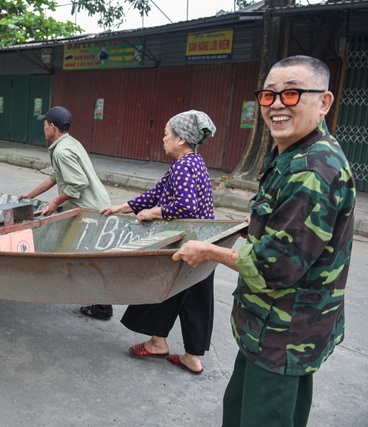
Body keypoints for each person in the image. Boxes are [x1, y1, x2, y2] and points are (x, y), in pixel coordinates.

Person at [173, 55, 355, 426]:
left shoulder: (313, 170)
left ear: (323, 102)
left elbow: (275, 267)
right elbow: (286, 226)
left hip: (284, 335)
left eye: (291, 94)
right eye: (268, 96)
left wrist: (207, 251)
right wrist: (253, 224)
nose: (276, 106)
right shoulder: (294, 153)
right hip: (269, 331)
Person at [101, 110, 216, 374]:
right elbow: (157, 193)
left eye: (167, 134)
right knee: (194, 297)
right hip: (203, 243)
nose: (163, 138)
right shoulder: (193, 162)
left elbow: (186, 205)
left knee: (160, 287)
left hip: (186, 243)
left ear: (181, 139)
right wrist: (123, 207)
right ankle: (191, 356)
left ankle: (157, 343)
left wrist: (153, 213)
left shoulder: (184, 165)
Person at [18, 106, 113, 319]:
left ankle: (102, 306)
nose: (43, 129)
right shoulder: (70, 143)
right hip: (92, 204)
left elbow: (78, 182)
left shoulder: (62, 151)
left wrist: (55, 201)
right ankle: (100, 303)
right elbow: (55, 176)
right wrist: (30, 194)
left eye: (44, 125)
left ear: (52, 127)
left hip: (90, 209)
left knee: (91, 257)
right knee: (89, 255)